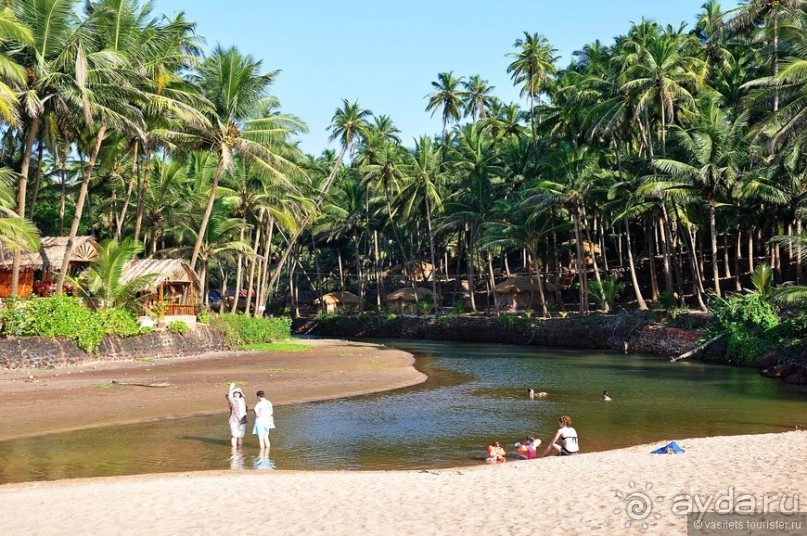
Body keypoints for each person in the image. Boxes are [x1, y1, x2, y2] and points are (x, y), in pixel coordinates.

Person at [225, 383, 248, 448]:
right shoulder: (233, 400)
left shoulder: (242, 399)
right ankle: (234, 451)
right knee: (234, 436)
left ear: (240, 394)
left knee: (240, 436)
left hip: (242, 420)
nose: (236, 394)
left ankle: (240, 451)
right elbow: (229, 396)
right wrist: (231, 388)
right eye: (235, 393)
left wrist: (234, 389)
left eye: (238, 393)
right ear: (233, 394)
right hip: (234, 420)